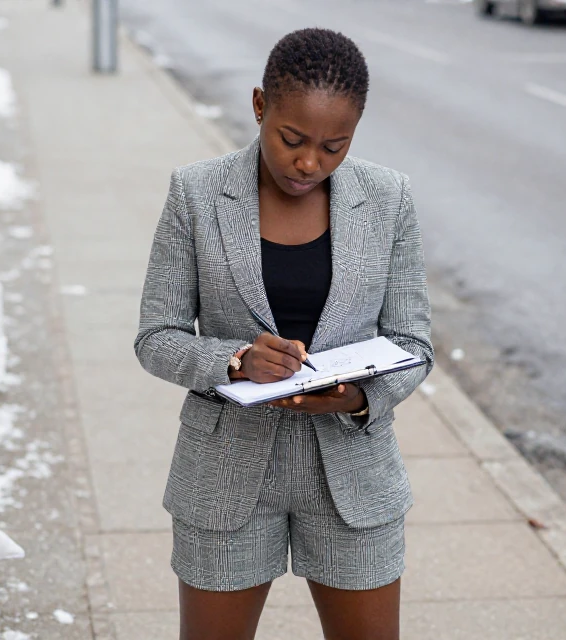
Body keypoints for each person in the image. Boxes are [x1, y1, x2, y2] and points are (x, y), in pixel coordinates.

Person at [134, 27, 433, 640]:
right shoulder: (195, 193)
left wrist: (355, 397)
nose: (309, 162)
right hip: (224, 472)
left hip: (354, 474)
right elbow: (156, 336)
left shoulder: (387, 198)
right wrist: (236, 359)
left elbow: (413, 344)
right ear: (259, 106)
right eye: (292, 139)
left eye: (334, 146)